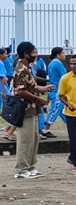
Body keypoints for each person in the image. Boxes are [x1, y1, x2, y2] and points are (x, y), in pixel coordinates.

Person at [12, 42, 53, 179]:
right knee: (25, 140)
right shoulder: (20, 70)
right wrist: (37, 99)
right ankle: (22, 169)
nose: (36, 55)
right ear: (26, 54)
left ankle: (31, 166)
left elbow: (31, 87)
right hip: (25, 109)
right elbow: (21, 91)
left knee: (34, 139)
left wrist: (44, 89)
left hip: (33, 109)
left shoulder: (27, 68)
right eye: (34, 52)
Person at [42, 47, 68, 139]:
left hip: (53, 90)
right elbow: (64, 78)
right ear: (58, 54)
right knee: (55, 109)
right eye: (63, 53)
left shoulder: (51, 64)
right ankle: (46, 129)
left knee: (61, 110)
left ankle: (71, 126)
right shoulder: (58, 64)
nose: (64, 55)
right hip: (58, 91)